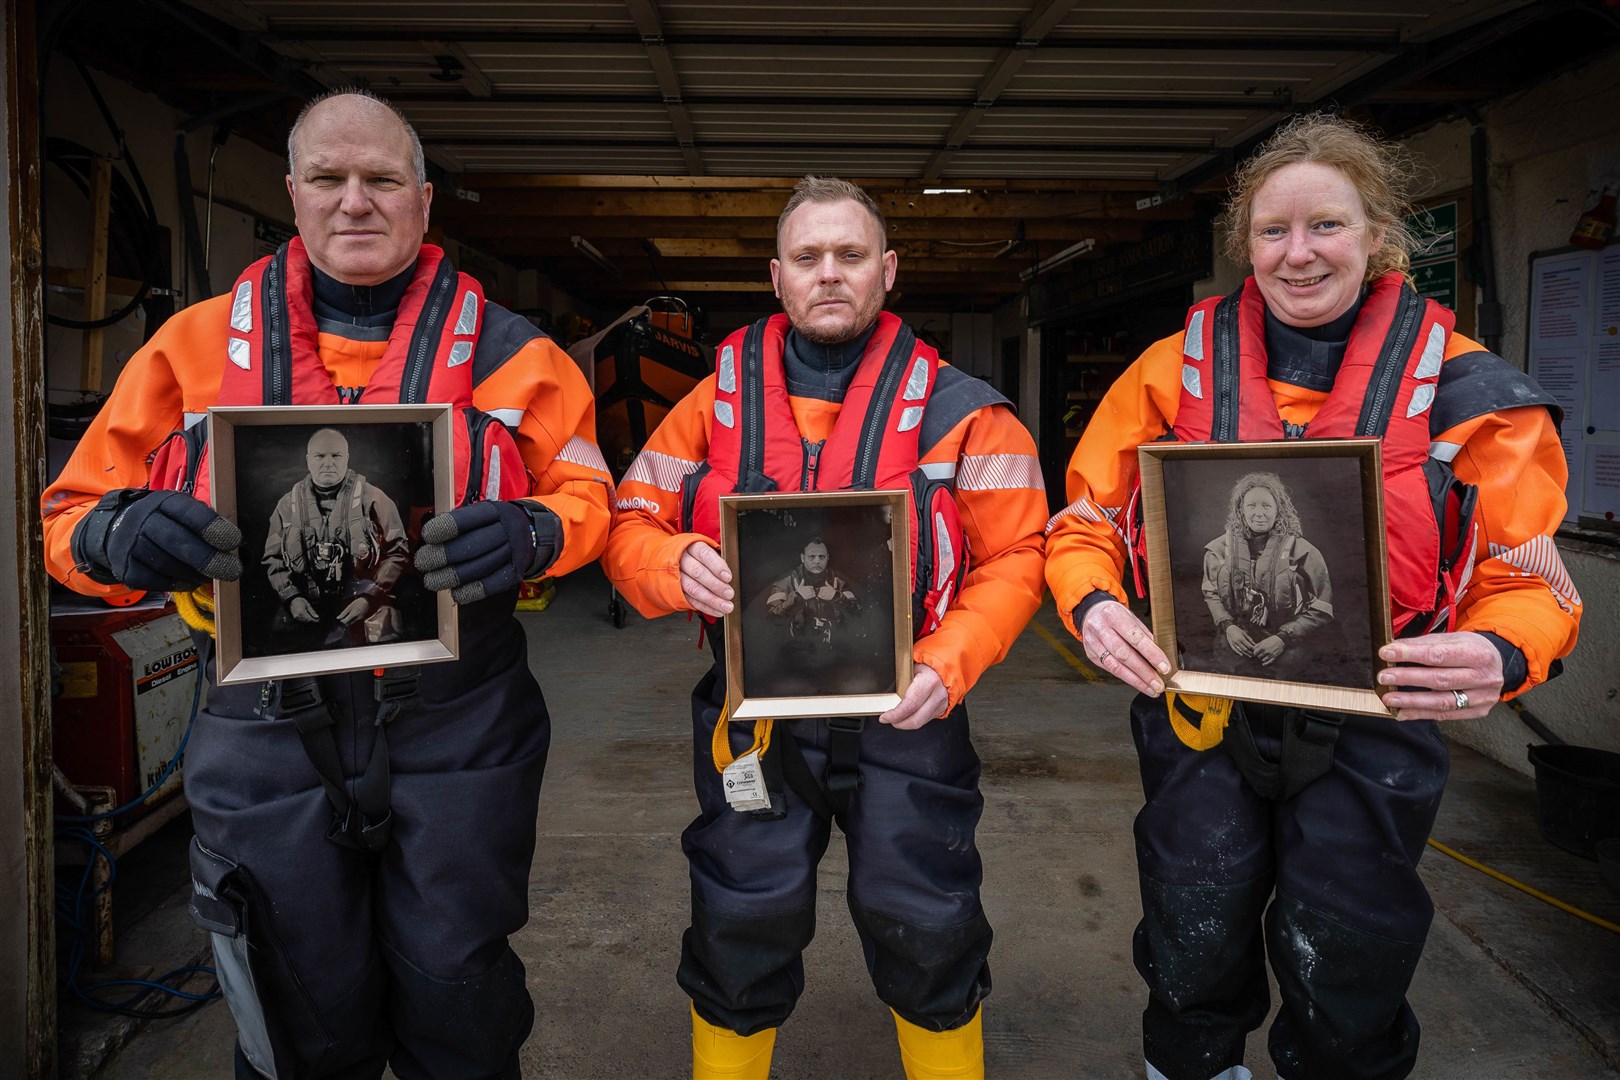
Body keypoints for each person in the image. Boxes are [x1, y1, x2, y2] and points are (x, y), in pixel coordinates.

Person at [40, 89, 613, 1079]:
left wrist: (532, 531)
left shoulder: (519, 354)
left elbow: (591, 498)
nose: (357, 202)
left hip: (459, 719)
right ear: (295, 196)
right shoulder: (189, 348)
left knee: (459, 995)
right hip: (261, 727)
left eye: (382, 180)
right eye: (330, 180)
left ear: (424, 203)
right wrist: (117, 531)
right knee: (297, 1001)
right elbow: (66, 514)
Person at [1045, 112, 1582, 1080]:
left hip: (1376, 717)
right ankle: (1194, 1064)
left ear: (1379, 235)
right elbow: (1084, 522)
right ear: (1244, 245)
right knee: (1190, 908)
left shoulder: (1468, 392)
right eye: (1271, 231)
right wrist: (1093, 604)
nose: (1298, 254)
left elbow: (1531, 574)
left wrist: (1502, 652)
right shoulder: (1171, 374)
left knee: (1349, 937)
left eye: (1325, 226)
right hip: (1202, 710)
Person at [602, 176, 1047, 1080]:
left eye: (850, 256)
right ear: (778, 276)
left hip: (910, 712)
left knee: (927, 918)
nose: (830, 274)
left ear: (887, 271)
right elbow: (627, 525)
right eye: (808, 258)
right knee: (739, 918)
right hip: (753, 716)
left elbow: (1020, 557)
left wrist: (950, 662)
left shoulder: (967, 411)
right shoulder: (709, 405)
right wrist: (671, 561)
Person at [264, 427, 411, 650]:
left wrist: (369, 597)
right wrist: (291, 597)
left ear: (347, 458)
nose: (328, 463)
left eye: (336, 456)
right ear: (308, 460)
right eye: (320, 456)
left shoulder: (374, 499)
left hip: (362, 607)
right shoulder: (287, 505)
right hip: (306, 610)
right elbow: (273, 558)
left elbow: (398, 552)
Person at [1200, 471, 1331, 679]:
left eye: (1266, 506)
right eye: (1251, 506)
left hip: (1287, 648)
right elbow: (1211, 593)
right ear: (1240, 511)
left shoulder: (1304, 553)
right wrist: (1228, 627)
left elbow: (1322, 608)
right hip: (1234, 642)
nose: (1259, 513)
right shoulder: (1218, 550)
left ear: (1279, 510)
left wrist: (1283, 638)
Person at [764, 536, 860, 643]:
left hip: (833, 647)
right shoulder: (784, 584)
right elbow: (772, 620)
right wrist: (796, 598)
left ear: (828, 558)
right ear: (802, 558)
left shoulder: (839, 583)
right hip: (797, 648)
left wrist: (837, 597)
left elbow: (857, 614)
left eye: (821, 557)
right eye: (812, 557)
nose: (817, 561)